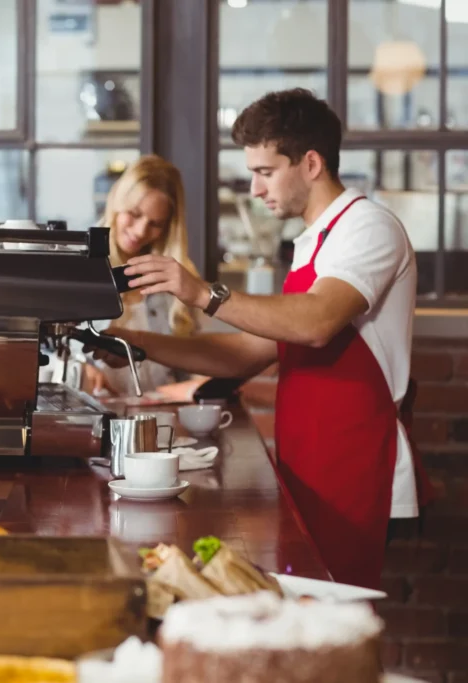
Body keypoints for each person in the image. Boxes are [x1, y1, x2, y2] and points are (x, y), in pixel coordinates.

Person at [94, 88, 434, 590]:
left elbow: (314, 323)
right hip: (308, 462)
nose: (254, 188)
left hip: (357, 467)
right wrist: (134, 342)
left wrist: (201, 292)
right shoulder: (315, 241)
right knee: (306, 615)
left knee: (336, 624)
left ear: (311, 163)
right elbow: (251, 351)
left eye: (265, 171)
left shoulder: (368, 227)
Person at [82, 155, 203, 397]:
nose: (140, 231)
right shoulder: (80, 270)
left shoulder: (179, 279)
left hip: (166, 421)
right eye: (134, 214)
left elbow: (197, 367)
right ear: (117, 202)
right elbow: (49, 354)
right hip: (96, 418)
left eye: (156, 223)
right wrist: (81, 370)